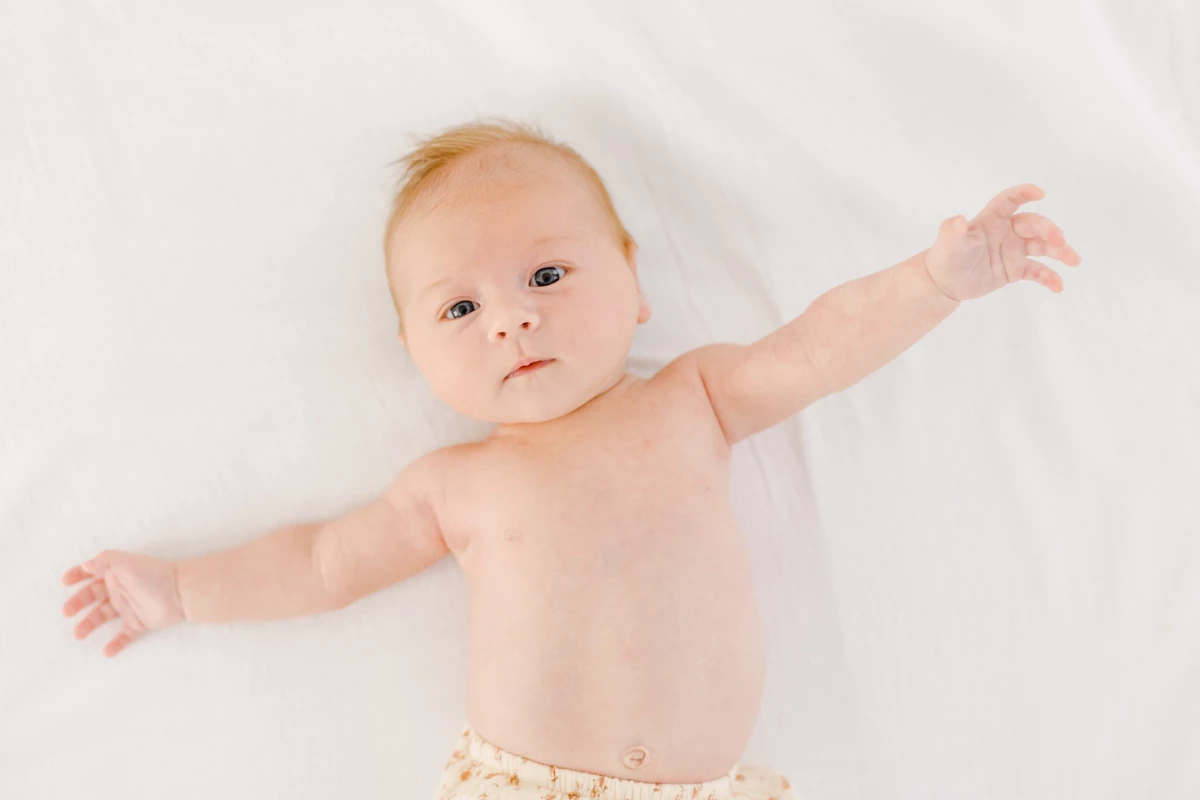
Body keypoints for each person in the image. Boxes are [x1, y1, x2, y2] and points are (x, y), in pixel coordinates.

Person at [61, 118, 1081, 800]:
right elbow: (322, 562)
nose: (513, 317)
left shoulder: (695, 398)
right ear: (414, 353)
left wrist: (937, 278)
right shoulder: (456, 484)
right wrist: (183, 589)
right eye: (460, 307)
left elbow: (816, 349)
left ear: (634, 285)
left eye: (547, 272)